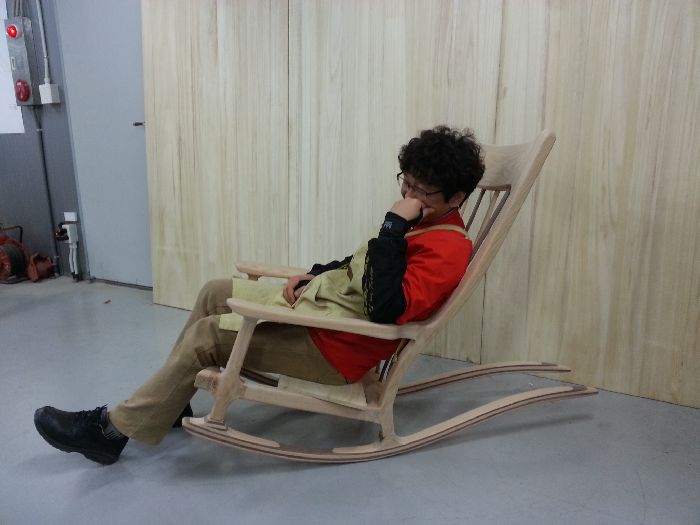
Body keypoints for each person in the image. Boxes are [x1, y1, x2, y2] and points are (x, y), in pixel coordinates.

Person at [34, 125, 485, 465]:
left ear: (456, 198)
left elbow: (386, 309)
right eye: (405, 182)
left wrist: (393, 225)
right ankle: (168, 404)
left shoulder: (446, 249)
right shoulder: (419, 221)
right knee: (215, 291)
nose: (407, 195)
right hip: (328, 311)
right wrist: (314, 274)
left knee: (208, 336)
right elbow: (362, 264)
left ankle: (110, 433)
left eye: (421, 190)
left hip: (337, 345)